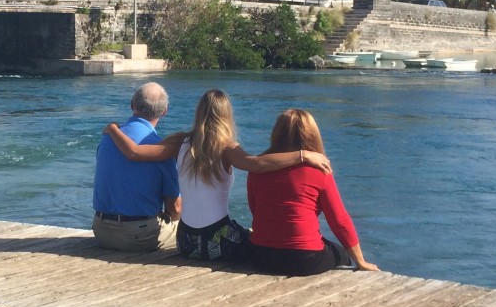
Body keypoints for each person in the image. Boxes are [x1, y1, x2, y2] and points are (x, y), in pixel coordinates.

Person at [105, 89, 331, 261]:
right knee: (258, 241)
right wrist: (303, 155)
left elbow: (134, 153)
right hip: (219, 242)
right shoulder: (228, 149)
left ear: (199, 112)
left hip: (186, 242)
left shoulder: (180, 141)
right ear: (225, 115)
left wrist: (113, 129)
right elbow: (257, 164)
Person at [246, 108, 378, 275]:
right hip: (304, 259)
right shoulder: (320, 171)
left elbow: (255, 209)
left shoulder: (258, 168)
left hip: (261, 256)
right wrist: (360, 261)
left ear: (276, 134)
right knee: (342, 255)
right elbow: (339, 220)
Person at [92, 82, 181, 252]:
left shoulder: (107, 138)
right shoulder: (160, 149)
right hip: (139, 236)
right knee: (183, 229)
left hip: (101, 231)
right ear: (164, 111)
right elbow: (175, 208)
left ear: (132, 105)